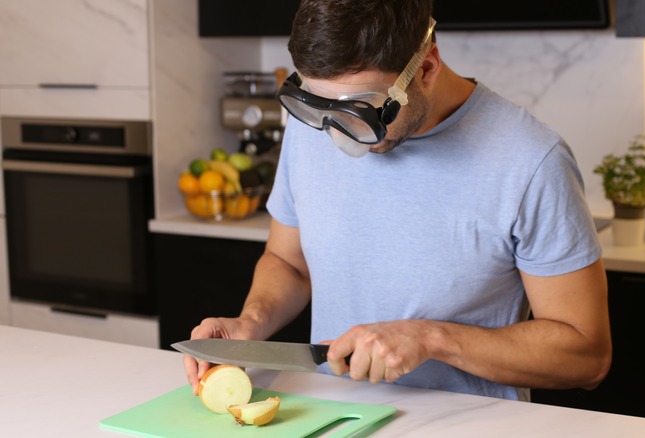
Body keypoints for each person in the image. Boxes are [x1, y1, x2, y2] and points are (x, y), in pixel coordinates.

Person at [184, 0, 611, 402]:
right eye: (318, 105)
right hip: (333, 417)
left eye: (360, 109)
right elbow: (289, 263)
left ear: (425, 68)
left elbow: (587, 356)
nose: (337, 135)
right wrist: (251, 321)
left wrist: (431, 339)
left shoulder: (531, 160)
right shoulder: (315, 127)